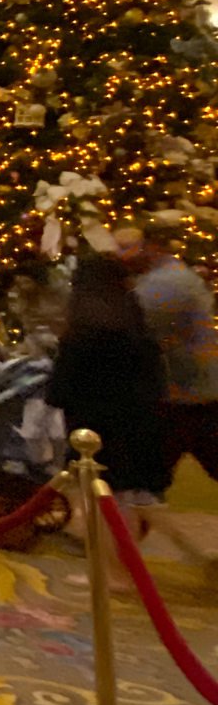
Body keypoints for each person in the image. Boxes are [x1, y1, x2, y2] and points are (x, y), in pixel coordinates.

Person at [115, 225, 218, 552]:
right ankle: (123, 555)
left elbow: (131, 322)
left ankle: (121, 561)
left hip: (188, 395)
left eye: (127, 246)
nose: (120, 254)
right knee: (143, 479)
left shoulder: (167, 283)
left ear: (151, 246)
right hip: (182, 392)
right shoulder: (163, 277)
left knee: (141, 479)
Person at [48, 254, 166, 512]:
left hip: (89, 421)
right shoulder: (133, 317)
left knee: (94, 485)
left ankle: (98, 539)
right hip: (134, 416)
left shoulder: (83, 327)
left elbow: (63, 383)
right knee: (123, 490)